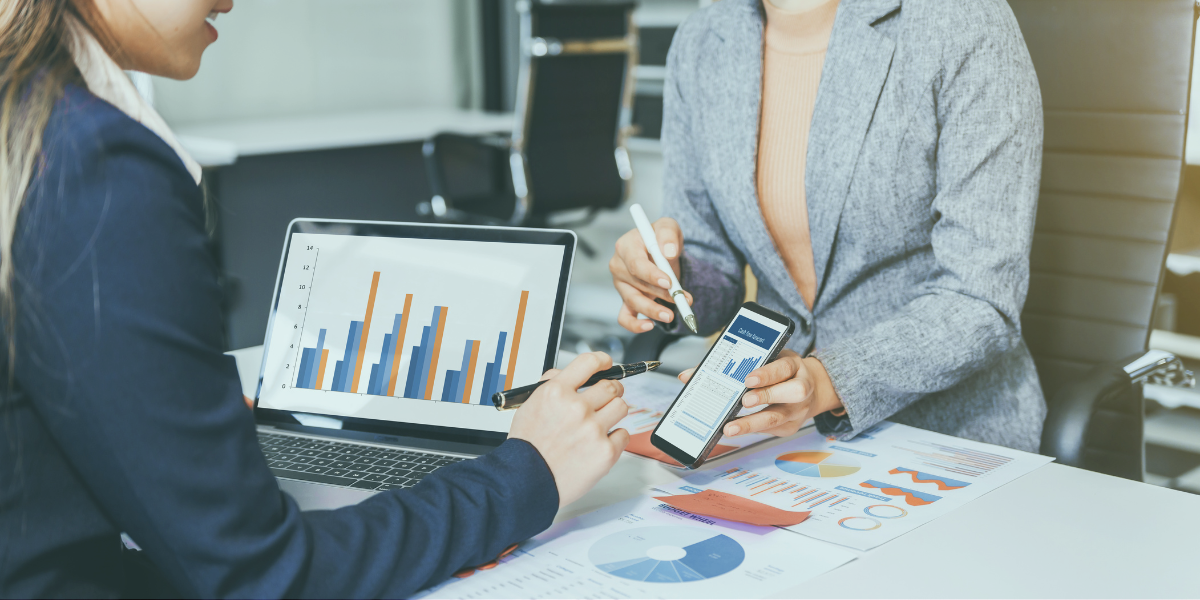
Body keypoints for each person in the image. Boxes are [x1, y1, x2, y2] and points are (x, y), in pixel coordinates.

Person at [0, 1, 630, 597]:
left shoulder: (30, 125)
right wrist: (527, 473)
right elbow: (268, 578)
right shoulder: (97, 166)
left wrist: (182, 424)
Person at [610, 0, 1046, 452]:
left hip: (948, 435)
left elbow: (980, 298)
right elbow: (714, 269)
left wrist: (827, 379)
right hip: (777, 435)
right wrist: (668, 281)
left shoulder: (959, 20)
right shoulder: (701, 40)